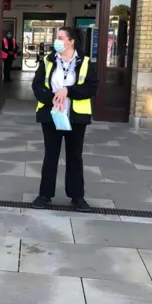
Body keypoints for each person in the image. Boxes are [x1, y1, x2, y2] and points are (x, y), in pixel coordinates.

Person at [31, 26, 97, 212]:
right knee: (50, 155)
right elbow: (37, 86)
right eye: (56, 37)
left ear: (71, 41)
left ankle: (77, 197)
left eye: (60, 37)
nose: (56, 41)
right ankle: (45, 195)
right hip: (52, 115)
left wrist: (68, 91)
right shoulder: (48, 60)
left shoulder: (85, 62)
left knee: (74, 156)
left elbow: (91, 88)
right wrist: (52, 98)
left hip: (76, 117)